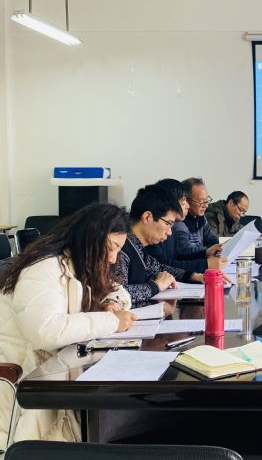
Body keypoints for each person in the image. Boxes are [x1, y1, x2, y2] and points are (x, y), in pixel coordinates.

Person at [0, 203, 137, 442]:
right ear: (90, 238)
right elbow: (45, 331)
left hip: (47, 376)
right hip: (19, 383)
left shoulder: (77, 264)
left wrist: (109, 302)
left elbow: (120, 293)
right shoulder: (43, 269)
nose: (112, 258)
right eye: (111, 248)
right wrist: (110, 321)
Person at [116, 184, 205, 307]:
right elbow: (116, 295)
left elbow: (157, 269)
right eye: (168, 224)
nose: (169, 232)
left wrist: (193, 276)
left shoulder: (137, 245)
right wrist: (156, 286)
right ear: (147, 217)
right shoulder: (119, 248)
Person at [146, 179, 226, 273]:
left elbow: (175, 259)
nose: (187, 206)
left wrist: (206, 253)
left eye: (206, 200)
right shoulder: (175, 225)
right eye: (184, 202)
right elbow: (161, 266)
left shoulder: (197, 218)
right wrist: (205, 264)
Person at [174, 178, 220, 257]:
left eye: (206, 200)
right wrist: (207, 251)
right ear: (186, 200)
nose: (206, 205)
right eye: (201, 201)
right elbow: (184, 251)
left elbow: (211, 239)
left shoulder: (201, 217)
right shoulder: (179, 221)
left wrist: (219, 247)